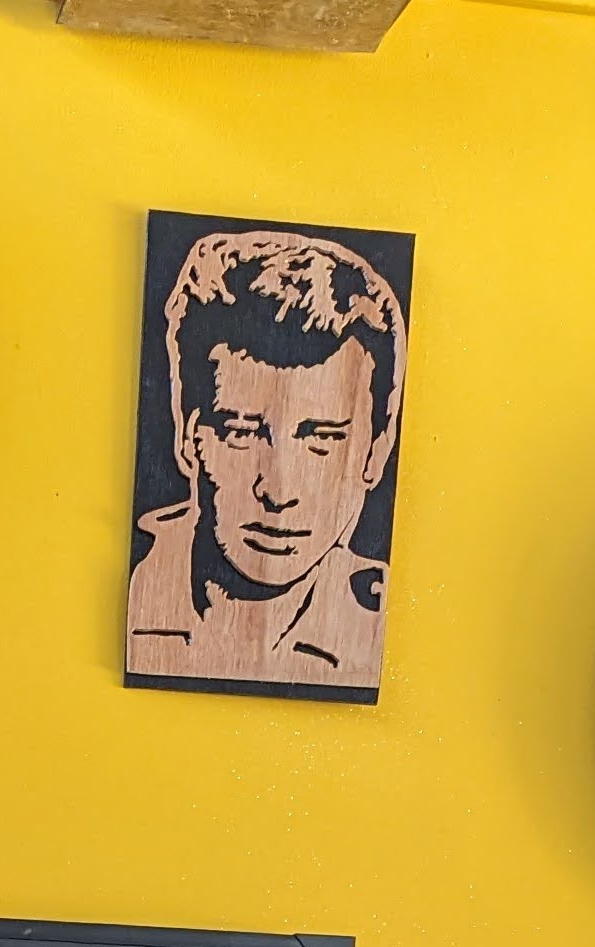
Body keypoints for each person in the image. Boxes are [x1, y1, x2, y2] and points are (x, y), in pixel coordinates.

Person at [126, 229, 408, 693]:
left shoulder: (386, 632)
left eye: (322, 439)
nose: (278, 492)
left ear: (377, 449)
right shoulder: (132, 593)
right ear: (187, 435)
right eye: (241, 433)